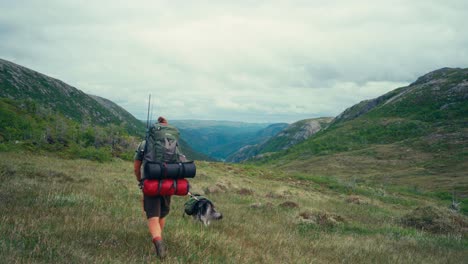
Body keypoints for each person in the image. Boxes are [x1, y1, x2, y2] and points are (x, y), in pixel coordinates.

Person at [133, 116, 171, 259]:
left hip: (150, 184)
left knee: (153, 217)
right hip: (168, 184)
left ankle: (158, 241)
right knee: (162, 214)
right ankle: (158, 239)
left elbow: (136, 167)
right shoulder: (172, 143)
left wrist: (140, 180)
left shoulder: (144, 144)